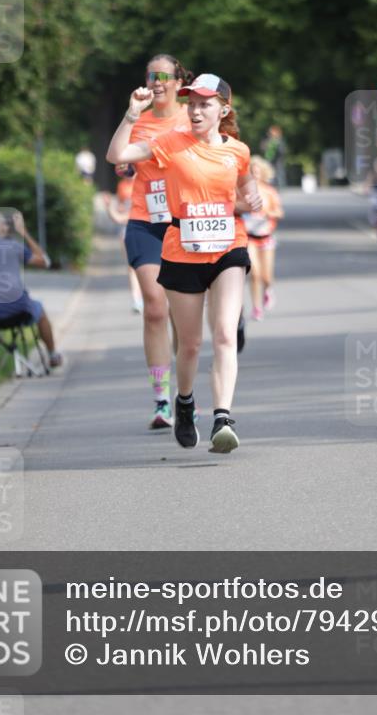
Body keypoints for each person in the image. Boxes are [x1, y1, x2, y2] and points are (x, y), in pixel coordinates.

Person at [107, 73, 262, 453]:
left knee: (225, 333)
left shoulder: (237, 151)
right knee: (190, 344)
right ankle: (185, 401)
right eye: (191, 103)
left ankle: (223, 417)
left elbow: (246, 188)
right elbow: (117, 156)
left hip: (228, 246)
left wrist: (252, 200)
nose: (194, 110)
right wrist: (131, 115)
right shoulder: (169, 144)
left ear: (223, 109)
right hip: (182, 250)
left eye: (204, 104)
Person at [113, 54, 192, 430]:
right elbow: (117, 157)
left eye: (164, 75)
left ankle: (184, 390)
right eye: (151, 76)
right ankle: (161, 399)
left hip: (184, 223)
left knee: (181, 314)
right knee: (155, 307)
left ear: (179, 81)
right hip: (145, 220)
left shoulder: (192, 116)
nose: (157, 81)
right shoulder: (139, 120)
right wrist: (130, 117)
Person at [0, 209, 63, 369]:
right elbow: (45, 261)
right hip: (20, 311)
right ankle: (53, 355)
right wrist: (24, 233)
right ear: (4, 228)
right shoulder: (14, 246)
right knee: (40, 309)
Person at [241, 156, 284, 320]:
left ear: (263, 173)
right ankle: (256, 307)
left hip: (266, 236)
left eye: (257, 171)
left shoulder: (269, 191)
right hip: (249, 236)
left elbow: (279, 212)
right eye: (251, 171)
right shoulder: (243, 190)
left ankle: (268, 289)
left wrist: (266, 213)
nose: (254, 174)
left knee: (266, 276)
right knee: (255, 273)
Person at [104, 164, 144, 314]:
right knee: (132, 266)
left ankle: (147, 297)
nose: (127, 174)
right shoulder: (122, 186)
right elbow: (121, 207)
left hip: (142, 225)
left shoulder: (143, 182)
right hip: (126, 228)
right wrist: (113, 207)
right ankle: (137, 300)